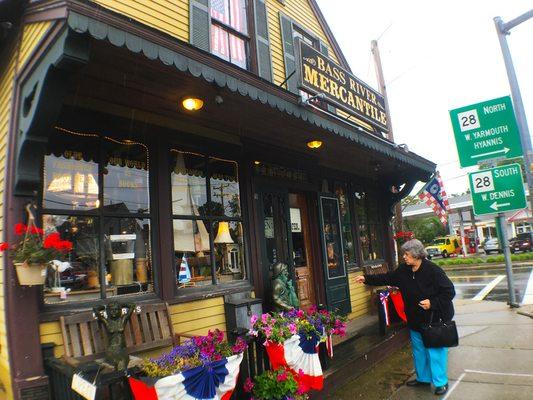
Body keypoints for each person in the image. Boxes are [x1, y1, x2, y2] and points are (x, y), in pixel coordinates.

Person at [355, 239, 455, 395]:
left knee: (435, 352)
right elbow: (387, 277)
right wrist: (366, 279)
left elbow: (449, 292)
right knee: (419, 351)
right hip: (415, 319)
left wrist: (432, 303)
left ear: (416, 255)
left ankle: (441, 382)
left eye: (406, 255)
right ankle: (423, 378)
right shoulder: (403, 270)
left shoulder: (433, 271)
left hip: (434, 319)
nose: (404, 257)